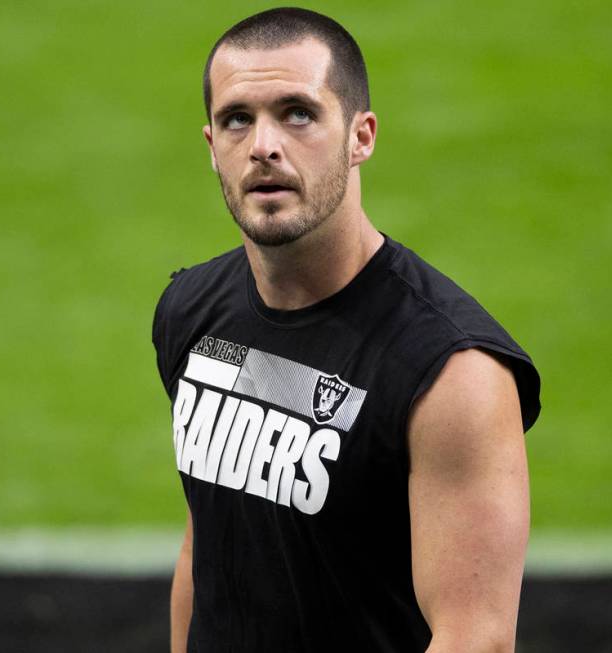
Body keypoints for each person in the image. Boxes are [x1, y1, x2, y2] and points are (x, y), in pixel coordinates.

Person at [152, 8, 541, 652]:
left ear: (361, 137)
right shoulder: (193, 311)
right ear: (212, 146)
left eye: (297, 113)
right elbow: (208, 542)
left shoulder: (451, 373)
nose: (263, 146)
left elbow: (476, 638)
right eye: (237, 119)